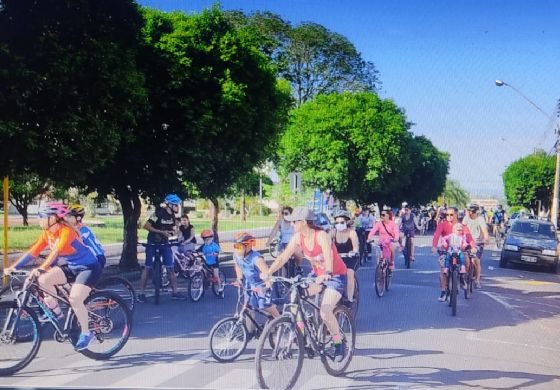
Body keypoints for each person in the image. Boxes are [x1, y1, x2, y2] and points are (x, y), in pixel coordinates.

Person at [6, 202, 103, 351]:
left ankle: (86, 333)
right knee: (43, 280)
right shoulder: (48, 233)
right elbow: (33, 252)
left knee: (75, 299)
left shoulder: (67, 231)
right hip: (71, 266)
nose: (39, 220)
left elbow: (56, 252)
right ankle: (57, 314)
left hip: (88, 267)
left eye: (42, 216)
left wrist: (41, 268)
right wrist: (14, 267)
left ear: (54, 218)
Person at [263, 206, 348, 359]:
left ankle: (338, 342)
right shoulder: (298, 237)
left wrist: (327, 272)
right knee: (296, 298)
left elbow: (328, 256)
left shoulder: (321, 235)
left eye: (294, 221)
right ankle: (302, 334)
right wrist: (268, 273)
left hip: (335, 276)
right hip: (316, 275)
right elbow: (283, 257)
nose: (292, 224)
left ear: (303, 222)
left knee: (325, 310)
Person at [138, 194, 184, 303]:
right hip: (153, 243)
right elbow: (146, 226)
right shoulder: (157, 213)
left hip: (165, 244)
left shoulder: (173, 216)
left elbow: (173, 230)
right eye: (176, 205)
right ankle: (141, 293)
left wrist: (175, 230)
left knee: (170, 268)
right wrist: (161, 232)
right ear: (169, 205)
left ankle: (175, 292)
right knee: (148, 267)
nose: (177, 207)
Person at [232, 232, 280, 319]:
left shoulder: (257, 259)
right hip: (249, 283)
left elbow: (267, 273)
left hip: (261, 284)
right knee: (250, 305)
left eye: (239, 247)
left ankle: (279, 319)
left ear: (248, 246)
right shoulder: (237, 256)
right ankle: (251, 329)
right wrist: (239, 278)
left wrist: (267, 288)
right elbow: (238, 266)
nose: (237, 250)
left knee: (265, 305)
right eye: (235, 247)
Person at [432, 207, 475, 301]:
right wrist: (434, 246)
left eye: (451, 215)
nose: (449, 217)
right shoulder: (442, 225)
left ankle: (463, 278)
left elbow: (469, 238)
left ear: (456, 215)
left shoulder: (462, 226)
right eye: (447, 215)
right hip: (447, 251)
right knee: (443, 268)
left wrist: (473, 247)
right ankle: (443, 291)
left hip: (460, 250)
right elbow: (436, 235)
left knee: (467, 260)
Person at [66, 204, 106, 268]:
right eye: (66, 216)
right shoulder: (74, 228)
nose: (66, 219)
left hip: (97, 257)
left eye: (69, 217)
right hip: (87, 258)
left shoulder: (83, 229)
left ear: (78, 218)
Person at [330, 210, 358, 302]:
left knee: (350, 273)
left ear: (347, 222)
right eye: (337, 222)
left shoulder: (351, 232)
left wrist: (353, 252)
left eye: (341, 222)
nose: (339, 224)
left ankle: (349, 299)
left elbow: (355, 247)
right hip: (337, 258)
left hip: (350, 258)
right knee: (328, 273)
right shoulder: (333, 232)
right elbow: (325, 241)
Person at [463, 203, 489, 289]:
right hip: (467, 242)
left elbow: (484, 230)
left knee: (476, 261)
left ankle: (477, 280)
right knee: (465, 259)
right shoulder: (466, 219)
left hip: (478, 242)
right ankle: (464, 276)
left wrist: (486, 238)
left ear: (476, 212)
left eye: (472, 211)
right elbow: (461, 229)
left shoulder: (480, 219)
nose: (470, 213)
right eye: (469, 211)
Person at [199, 229, 223, 296]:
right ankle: (203, 288)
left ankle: (220, 288)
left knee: (216, 275)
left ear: (212, 238)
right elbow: (197, 250)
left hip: (214, 262)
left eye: (208, 239)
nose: (206, 241)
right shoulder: (203, 246)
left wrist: (215, 253)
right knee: (204, 274)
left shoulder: (214, 245)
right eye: (205, 239)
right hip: (207, 262)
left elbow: (218, 251)